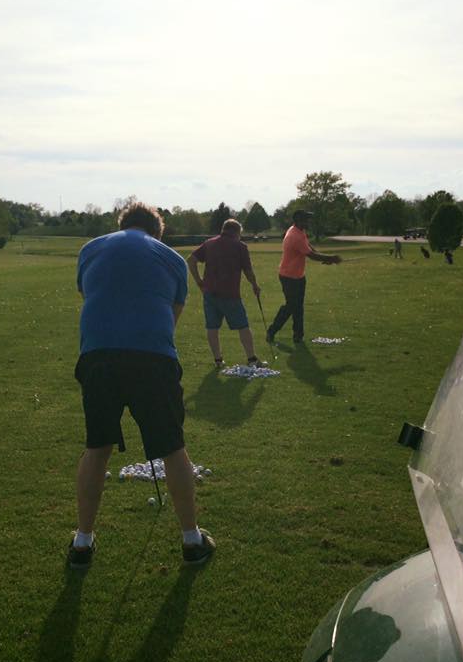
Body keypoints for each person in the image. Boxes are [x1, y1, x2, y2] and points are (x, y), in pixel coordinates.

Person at [69, 202, 215, 569]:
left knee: (96, 448)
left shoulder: (91, 249)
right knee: (173, 449)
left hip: (97, 358)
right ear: (157, 231)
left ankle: (82, 543)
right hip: (153, 359)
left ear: (122, 224)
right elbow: (172, 317)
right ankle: (192, 540)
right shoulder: (172, 259)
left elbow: (91, 297)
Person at [187, 218, 264, 369]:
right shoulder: (240, 246)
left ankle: (218, 360)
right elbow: (248, 271)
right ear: (236, 232)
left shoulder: (209, 243)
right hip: (230, 294)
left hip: (209, 293)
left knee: (212, 327)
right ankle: (252, 359)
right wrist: (255, 285)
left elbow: (191, 260)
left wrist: (199, 281)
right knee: (243, 326)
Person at [266, 209, 341, 344]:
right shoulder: (295, 236)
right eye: (306, 219)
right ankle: (272, 331)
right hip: (289, 276)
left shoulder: (299, 231)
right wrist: (331, 258)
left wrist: (327, 258)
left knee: (298, 306)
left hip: (298, 275)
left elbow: (310, 247)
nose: (308, 221)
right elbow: (311, 255)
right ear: (298, 220)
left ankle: (298, 336)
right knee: (291, 306)